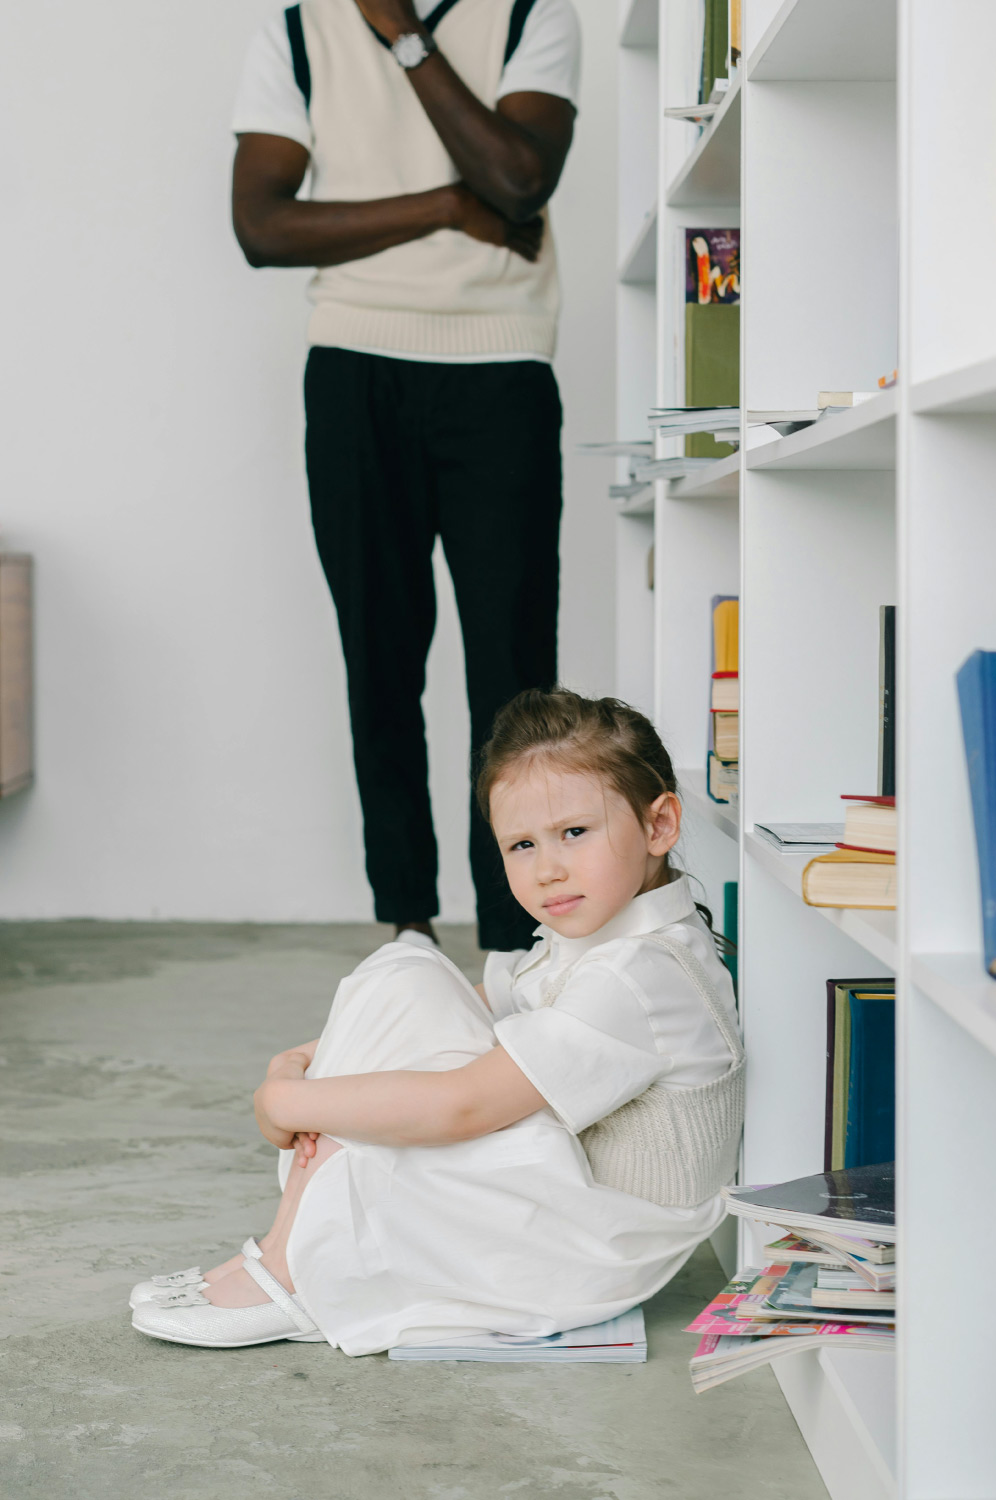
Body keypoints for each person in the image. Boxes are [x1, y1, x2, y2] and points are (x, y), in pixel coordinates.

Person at [130, 689, 746, 1352]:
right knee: (407, 970)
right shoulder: (600, 940)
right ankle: (289, 1245)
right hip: (563, 1198)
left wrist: (290, 1100)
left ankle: (294, 1270)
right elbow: (457, 1005)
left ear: (659, 825)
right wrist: (303, 1063)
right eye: (520, 845)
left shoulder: (637, 976)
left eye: (575, 832)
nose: (547, 870)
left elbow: (461, 1107)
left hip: (590, 1250)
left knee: (386, 1119)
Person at [230, 0, 581, 951]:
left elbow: (516, 178)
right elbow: (262, 225)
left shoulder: (531, 15)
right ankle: (409, 937)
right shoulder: (298, 31)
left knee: (513, 676)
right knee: (379, 665)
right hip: (354, 370)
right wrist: (441, 206)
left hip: (500, 372)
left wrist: (407, 39)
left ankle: (516, 946)